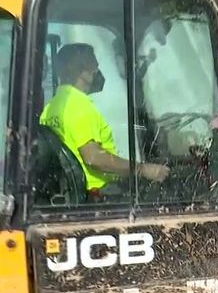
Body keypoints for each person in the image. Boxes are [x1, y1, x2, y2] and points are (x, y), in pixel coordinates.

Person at [40, 43, 168, 200]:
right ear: (81, 71)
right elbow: (94, 157)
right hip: (99, 195)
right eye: (94, 66)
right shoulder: (80, 106)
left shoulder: (50, 108)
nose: (97, 72)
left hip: (74, 194)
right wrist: (142, 169)